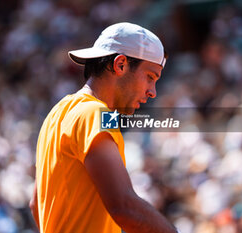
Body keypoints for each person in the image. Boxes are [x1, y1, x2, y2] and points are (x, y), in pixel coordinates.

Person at [29, 22, 178, 233]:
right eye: (150, 77)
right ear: (120, 65)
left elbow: (37, 205)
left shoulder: (56, 114)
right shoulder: (96, 114)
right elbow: (124, 207)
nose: (152, 91)